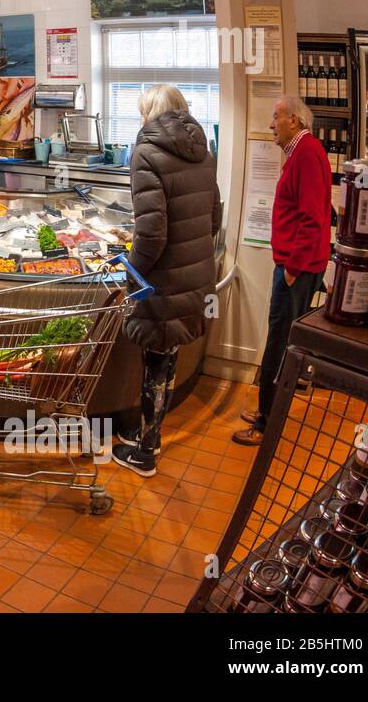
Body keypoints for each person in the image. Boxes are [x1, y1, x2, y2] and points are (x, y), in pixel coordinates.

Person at [110, 85, 221, 477]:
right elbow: (213, 220)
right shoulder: (203, 152)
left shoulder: (145, 153)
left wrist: (131, 269)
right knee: (166, 358)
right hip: (195, 276)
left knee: (155, 361)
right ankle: (148, 433)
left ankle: (145, 452)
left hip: (162, 281)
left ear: (151, 113)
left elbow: (152, 235)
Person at [234, 96, 331, 446]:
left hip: (297, 269)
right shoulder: (303, 152)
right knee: (279, 340)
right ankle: (266, 410)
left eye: (275, 118)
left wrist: (292, 267)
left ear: (294, 119)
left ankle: (267, 423)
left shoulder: (306, 153)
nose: (271, 125)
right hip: (297, 265)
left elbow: (314, 219)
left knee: (280, 343)